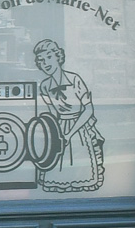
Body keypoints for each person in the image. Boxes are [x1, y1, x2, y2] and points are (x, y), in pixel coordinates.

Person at [34, 39, 103, 192]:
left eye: (49, 57)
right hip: (60, 130)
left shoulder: (74, 79)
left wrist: (69, 134)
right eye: (42, 60)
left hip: (79, 129)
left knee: (80, 168)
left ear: (58, 57)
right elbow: (53, 113)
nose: (46, 63)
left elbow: (88, 109)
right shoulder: (45, 85)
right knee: (58, 169)